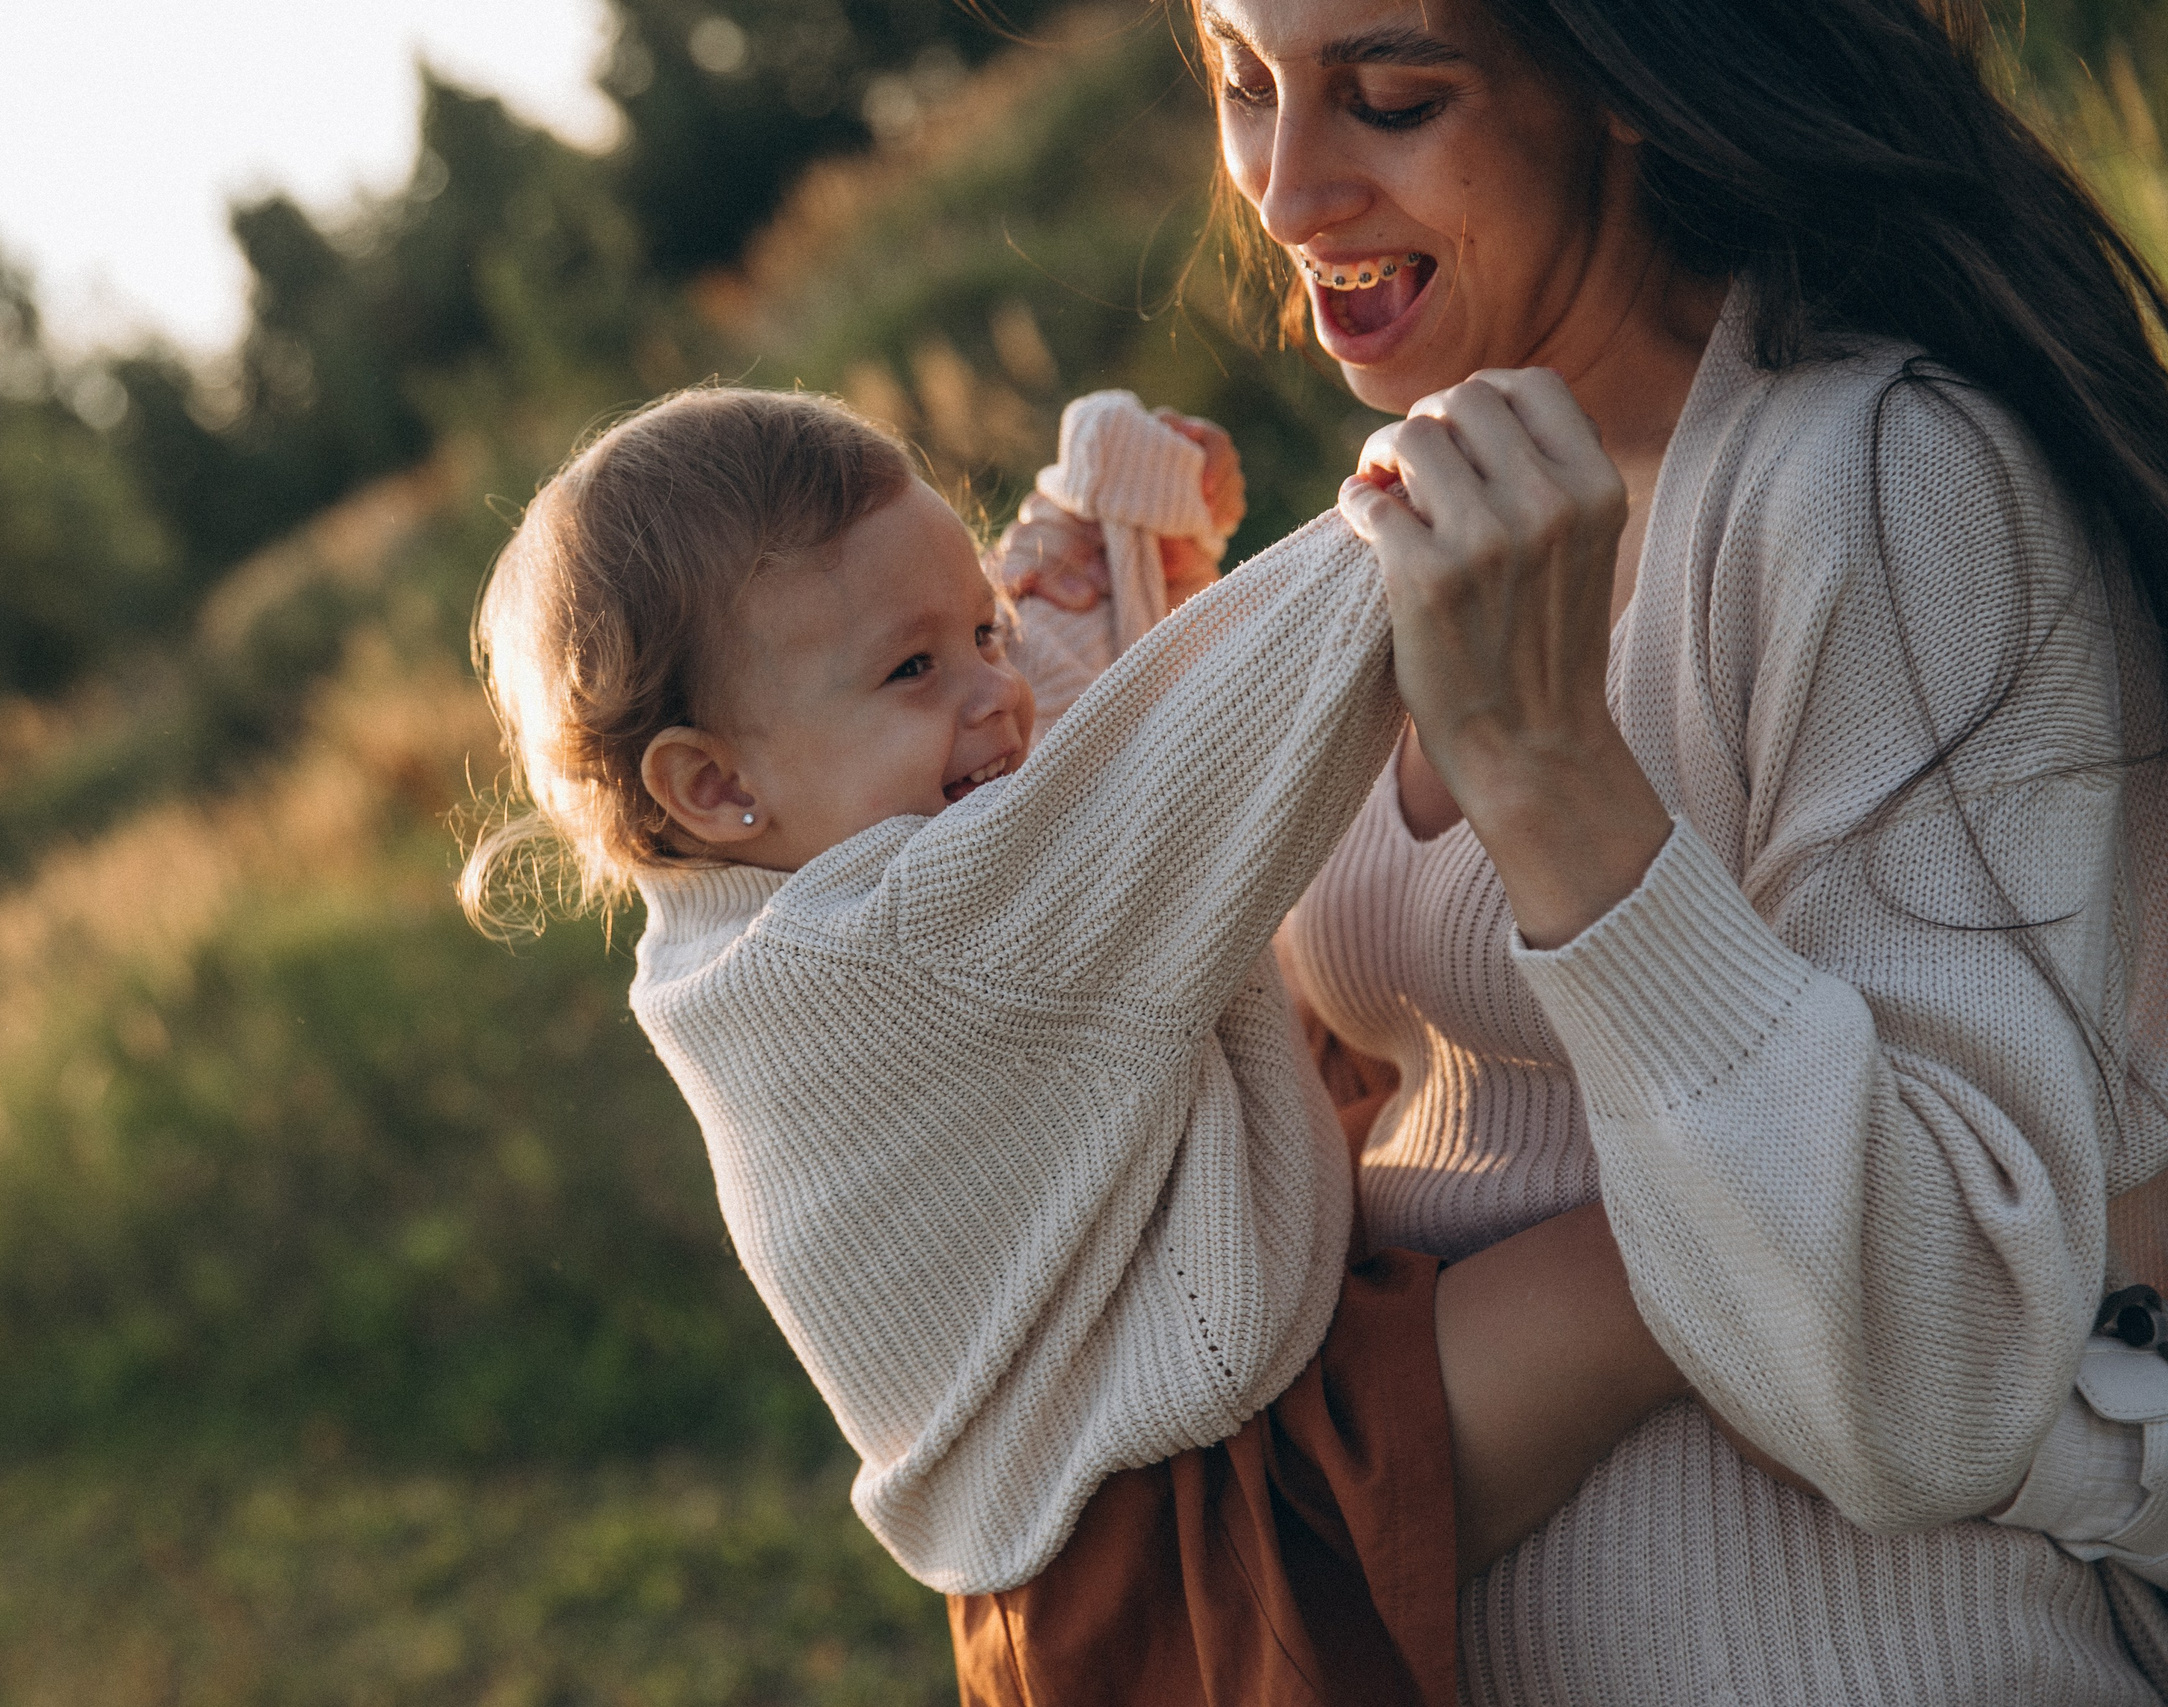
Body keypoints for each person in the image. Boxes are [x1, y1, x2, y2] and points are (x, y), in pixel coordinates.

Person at [992, 0, 2168, 1698]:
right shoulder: (1424, 500)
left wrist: (1555, 781)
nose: (1287, 188)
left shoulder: (1880, 487)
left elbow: (1940, 1367)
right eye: (1249, 88)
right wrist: (1110, 728)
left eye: (1391, 98)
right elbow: (1405, 1127)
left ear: (1616, 80)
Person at [464, 382, 1716, 1704]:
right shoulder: (900, 941)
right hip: (1202, 1519)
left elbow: (1053, 762)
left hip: (1087, 1540)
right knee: (1680, 1230)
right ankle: (1932, 1283)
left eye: (983, 631)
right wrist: (1430, 507)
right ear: (713, 785)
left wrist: (1091, 525)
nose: (993, 693)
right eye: (915, 666)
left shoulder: (755, 915)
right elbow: (1174, 763)